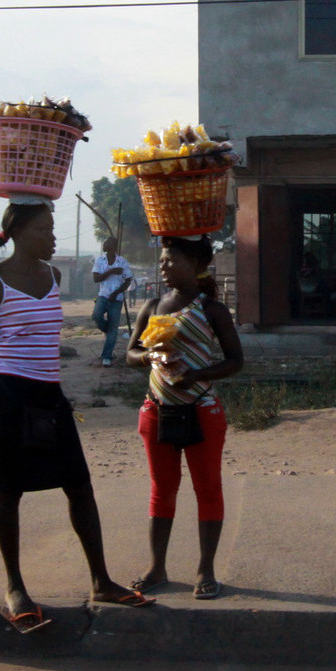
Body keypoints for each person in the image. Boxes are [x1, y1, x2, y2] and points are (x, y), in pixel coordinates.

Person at [0, 202, 155, 634]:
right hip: (8, 394)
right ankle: (15, 590)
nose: (53, 237)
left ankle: (101, 581)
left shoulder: (54, 276)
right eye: (46, 229)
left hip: (50, 395)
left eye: (52, 229)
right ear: (20, 231)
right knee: (9, 490)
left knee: (80, 485)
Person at [126, 235, 244, 600]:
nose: (164, 265)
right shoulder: (152, 306)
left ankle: (205, 569)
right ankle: (156, 567)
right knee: (162, 491)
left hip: (202, 410)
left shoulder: (212, 310)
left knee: (207, 489)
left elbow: (235, 361)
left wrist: (198, 374)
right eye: (162, 260)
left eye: (171, 259)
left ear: (195, 265)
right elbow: (130, 352)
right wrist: (150, 358)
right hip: (156, 410)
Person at [92, 236, 132, 366]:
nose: (104, 244)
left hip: (117, 299)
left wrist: (116, 293)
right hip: (103, 296)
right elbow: (96, 279)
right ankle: (109, 331)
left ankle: (106, 356)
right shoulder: (100, 261)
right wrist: (111, 271)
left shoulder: (122, 262)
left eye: (106, 242)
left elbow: (128, 280)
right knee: (96, 316)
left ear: (113, 246)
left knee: (113, 328)